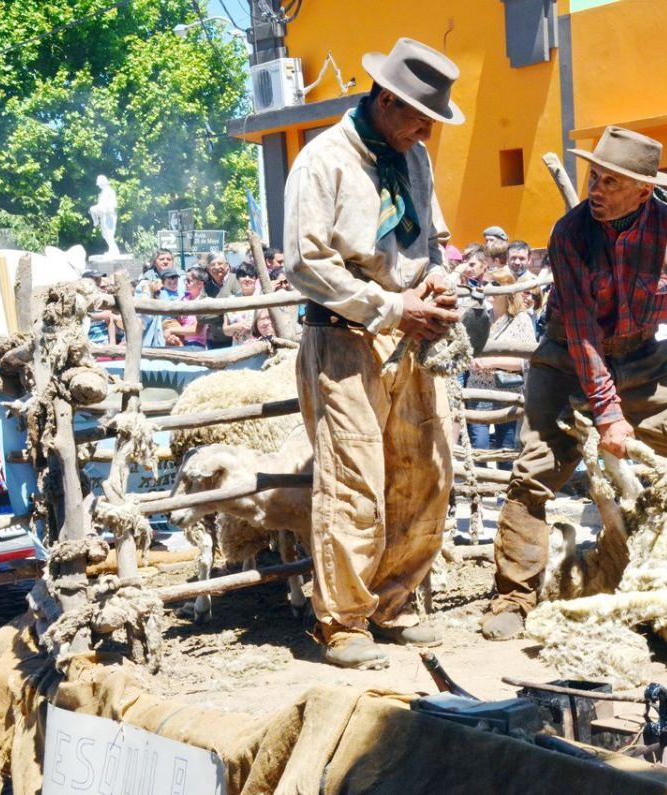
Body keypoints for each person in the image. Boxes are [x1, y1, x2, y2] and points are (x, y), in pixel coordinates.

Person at [482, 125, 667, 640]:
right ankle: (513, 596)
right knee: (534, 474)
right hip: (567, 359)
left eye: (611, 182)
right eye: (594, 177)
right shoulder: (571, 233)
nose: (596, 190)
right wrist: (607, 413)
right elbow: (583, 333)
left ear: (644, 190)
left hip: (643, 359)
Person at [283, 36, 464, 669]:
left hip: (411, 331)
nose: (427, 131)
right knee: (353, 478)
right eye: (420, 117)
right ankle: (343, 622)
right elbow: (306, 262)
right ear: (386, 99)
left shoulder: (415, 158)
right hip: (344, 337)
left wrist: (437, 281)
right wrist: (389, 307)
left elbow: (430, 244)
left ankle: (392, 602)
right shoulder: (322, 161)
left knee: (423, 471)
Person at [466, 268, 537, 469]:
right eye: (486, 283)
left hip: (508, 394)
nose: (488, 287)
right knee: (478, 447)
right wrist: (471, 361)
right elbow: (464, 349)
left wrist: (493, 362)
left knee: (506, 449)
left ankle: (505, 486)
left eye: (495, 284)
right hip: (477, 390)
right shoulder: (478, 317)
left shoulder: (521, 320)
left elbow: (527, 361)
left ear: (507, 290)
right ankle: (479, 486)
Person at [199, 252, 241, 349]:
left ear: (227, 266)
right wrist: (224, 312)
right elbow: (200, 317)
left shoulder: (235, 280)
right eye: (212, 264)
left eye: (220, 263)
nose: (216, 267)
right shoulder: (207, 288)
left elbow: (239, 310)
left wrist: (211, 311)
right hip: (214, 341)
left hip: (235, 340)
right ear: (208, 269)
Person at [168, 266, 209, 349]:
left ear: (200, 284)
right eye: (185, 280)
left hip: (197, 344)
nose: (186, 283)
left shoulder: (205, 302)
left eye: (189, 281)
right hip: (181, 341)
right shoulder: (182, 300)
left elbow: (197, 330)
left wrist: (171, 330)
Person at [222, 265, 260, 345]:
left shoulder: (263, 297)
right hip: (238, 347)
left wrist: (250, 327)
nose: (247, 279)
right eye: (243, 275)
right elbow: (225, 330)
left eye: (251, 276)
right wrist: (236, 327)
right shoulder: (231, 301)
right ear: (238, 279)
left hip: (260, 345)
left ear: (256, 279)